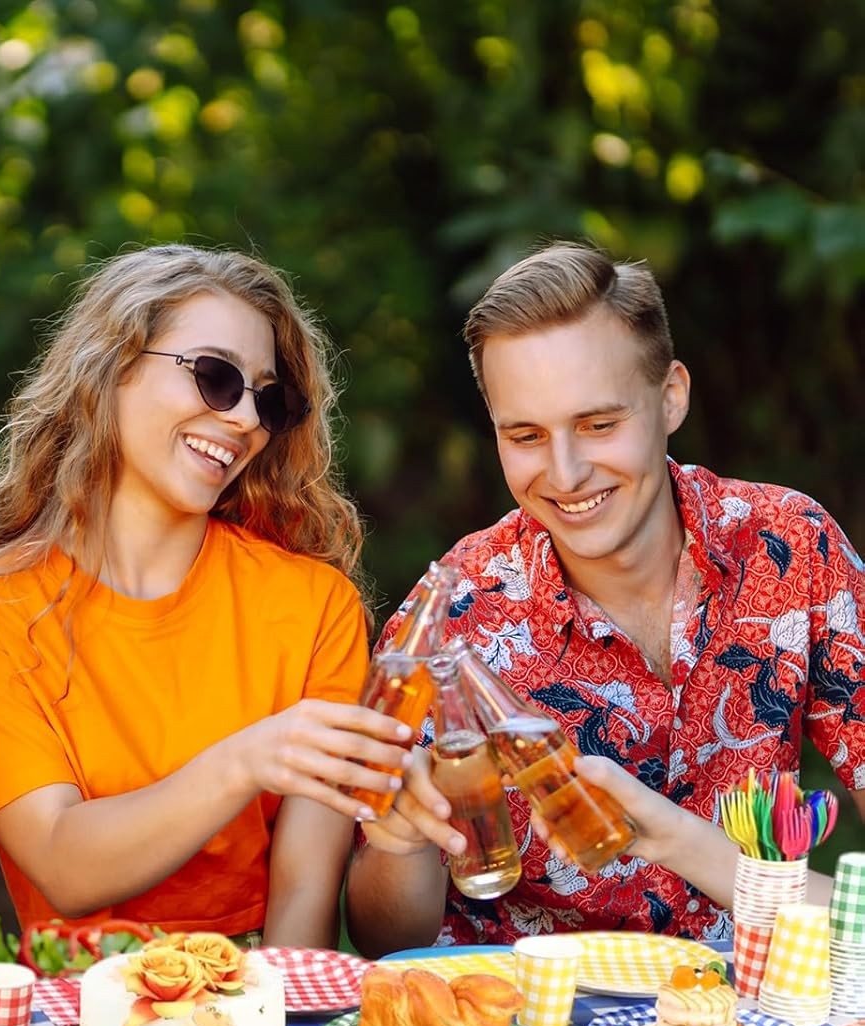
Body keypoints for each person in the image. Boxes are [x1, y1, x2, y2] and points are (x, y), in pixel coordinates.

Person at [346, 241, 865, 956]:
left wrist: (678, 840)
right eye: (525, 435)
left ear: (671, 396)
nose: (565, 472)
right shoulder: (450, 620)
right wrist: (399, 839)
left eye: (598, 425)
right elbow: (383, 941)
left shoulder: (793, 547)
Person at [0, 243, 414, 948]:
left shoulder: (316, 605)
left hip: (257, 1000)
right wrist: (246, 759)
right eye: (217, 377)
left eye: (269, 398)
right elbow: (64, 866)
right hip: (76, 1012)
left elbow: (303, 896)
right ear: (110, 369)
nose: (246, 420)